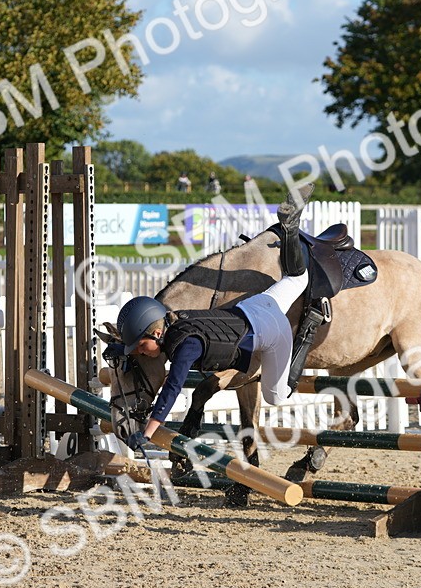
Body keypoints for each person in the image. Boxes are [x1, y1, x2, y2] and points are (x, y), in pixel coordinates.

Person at [115, 185, 313, 451]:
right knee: (299, 278)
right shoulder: (180, 318)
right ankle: (290, 230)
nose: (142, 352)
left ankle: (303, 343)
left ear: (157, 333)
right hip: (259, 303)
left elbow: (172, 390)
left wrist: (148, 433)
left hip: (276, 331)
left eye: (141, 346)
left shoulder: (184, 347)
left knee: (276, 396)